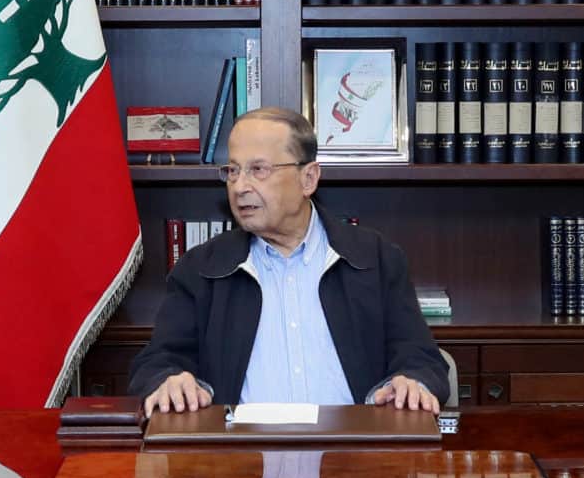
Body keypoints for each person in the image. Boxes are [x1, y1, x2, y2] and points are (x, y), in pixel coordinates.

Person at [130, 107, 448, 413]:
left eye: (258, 170)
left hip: (354, 455)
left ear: (308, 178)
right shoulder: (201, 269)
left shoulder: (376, 259)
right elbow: (157, 362)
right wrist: (169, 381)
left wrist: (412, 381)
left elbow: (421, 358)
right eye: (233, 171)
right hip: (239, 458)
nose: (240, 186)